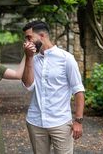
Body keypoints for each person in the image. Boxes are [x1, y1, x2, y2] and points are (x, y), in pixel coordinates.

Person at [22, 21, 85, 154]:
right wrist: (28, 58)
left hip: (61, 123)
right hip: (35, 122)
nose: (26, 42)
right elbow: (28, 86)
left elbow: (78, 90)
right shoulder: (31, 59)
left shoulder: (66, 59)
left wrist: (78, 121)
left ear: (42, 35)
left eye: (29, 37)